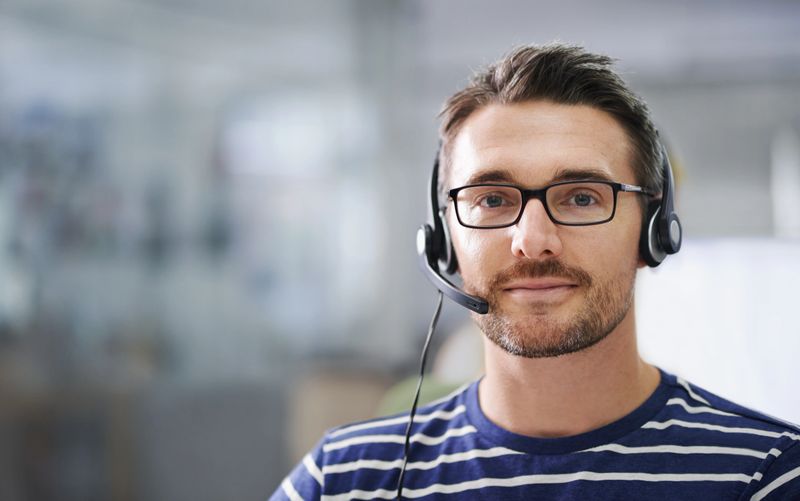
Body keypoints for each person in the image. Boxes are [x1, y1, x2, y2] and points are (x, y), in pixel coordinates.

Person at [270, 44, 800, 500]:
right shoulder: (343, 480)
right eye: (493, 198)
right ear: (444, 238)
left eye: (581, 196)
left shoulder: (767, 475)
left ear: (653, 231)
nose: (533, 240)